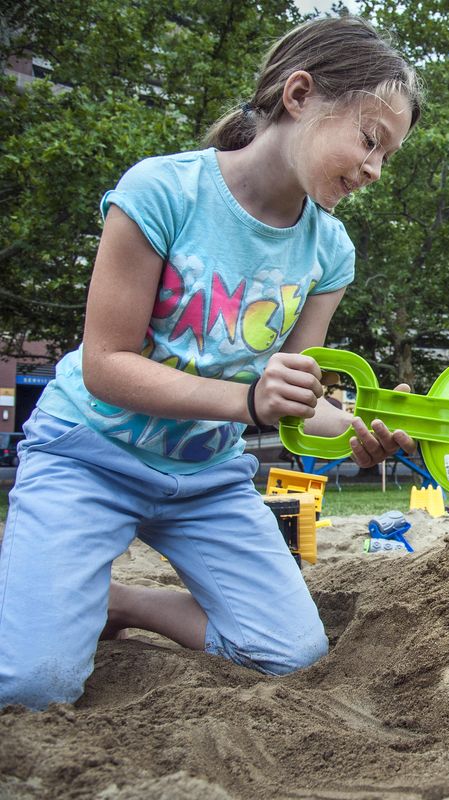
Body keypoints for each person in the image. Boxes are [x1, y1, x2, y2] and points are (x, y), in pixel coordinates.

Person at [0, 16, 424, 710]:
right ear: (299, 95)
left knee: (291, 654)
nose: (376, 170)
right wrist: (248, 402)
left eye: (388, 156)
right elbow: (106, 364)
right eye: (370, 140)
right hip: (88, 455)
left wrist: (357, 433)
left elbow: (291, 395)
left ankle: (122, 602)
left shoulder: (330, 252)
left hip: (203, 479)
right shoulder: (161, 192)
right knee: (30, 686)